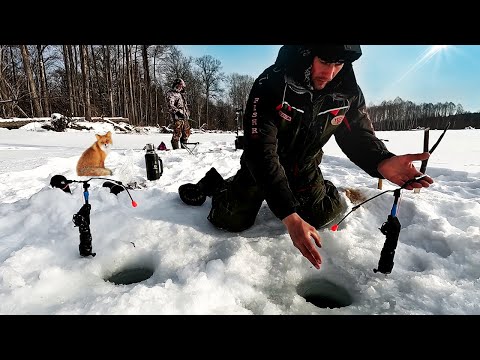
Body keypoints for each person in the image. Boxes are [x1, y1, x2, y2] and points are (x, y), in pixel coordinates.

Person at [178, 45, 433, 269]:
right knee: (230, 221)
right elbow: (261, 150)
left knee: (322, 216)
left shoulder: (348, 91)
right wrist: (288, 214)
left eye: (338, 64)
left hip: (305, 166)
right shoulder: (271, 83)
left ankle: (322, 192)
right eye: (325, 62)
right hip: (262, 166)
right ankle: (217, 183)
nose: (331, 73)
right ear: (307, 53)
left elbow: (357, 136)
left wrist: (382, 161)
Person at [166, 78, 191, 149]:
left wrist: (187, 113)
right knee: (177, 133)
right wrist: (177, 112)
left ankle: (184, 149)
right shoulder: (171, 93)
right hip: (177, 117)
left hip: (184, 116)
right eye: (180, 85)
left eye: (182, 86)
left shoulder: (182, 94)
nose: (181, 87)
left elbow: (185, 106)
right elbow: (170, 105)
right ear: (176, 85)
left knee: (186, 133)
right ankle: (176, 150)